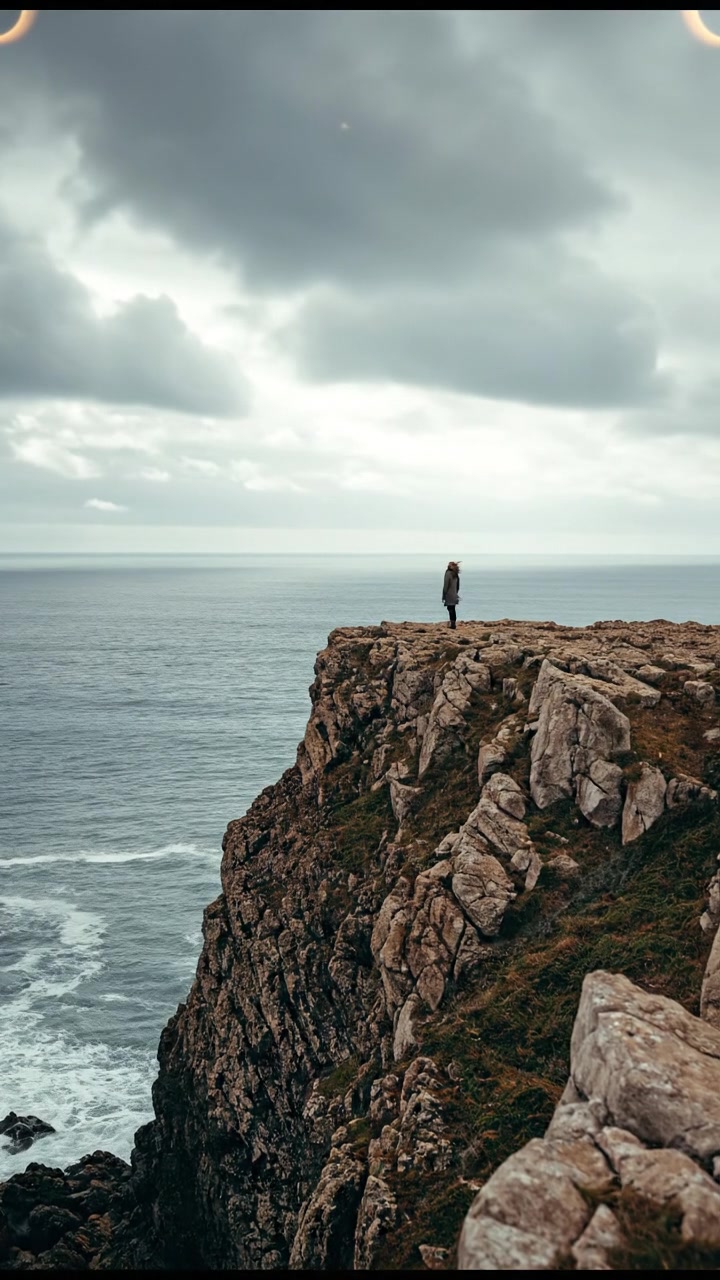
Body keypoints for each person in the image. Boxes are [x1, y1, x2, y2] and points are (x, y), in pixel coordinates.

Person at [442, 560, 460, 629]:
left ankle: (452, 624)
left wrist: (444, 594)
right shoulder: (455, 574)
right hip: (454, 593)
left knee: (450, 608)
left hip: (449, 593)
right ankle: (453, 623)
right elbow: (458, 585)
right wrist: (456, 592)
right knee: (453, 608)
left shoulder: (448, 573)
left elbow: (446, 585)